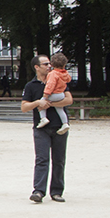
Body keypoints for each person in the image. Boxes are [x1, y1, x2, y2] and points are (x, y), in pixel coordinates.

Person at [21, 54, 71, 203]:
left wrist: (49, 104)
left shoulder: (58, 79)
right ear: (37, 67)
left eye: (50, 63)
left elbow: (69, 100)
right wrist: (37, 103)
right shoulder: (31, 86)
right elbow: (24, 107)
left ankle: (56, 191)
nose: (49, 66)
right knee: (42, 159)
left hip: (58, 127)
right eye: (45, 64)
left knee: (59, 160)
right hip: (41, 129)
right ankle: (38, 191)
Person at [34, 52, 72, 133]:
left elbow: (50, 85)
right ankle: (65, 123)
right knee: (60, 109)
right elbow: (68, 79)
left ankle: (43, 118)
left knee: (42, 102)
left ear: (52, 64)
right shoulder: (65, 73)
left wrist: (46, 95)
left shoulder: (53, 73)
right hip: (61, 94)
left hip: (54, 94)